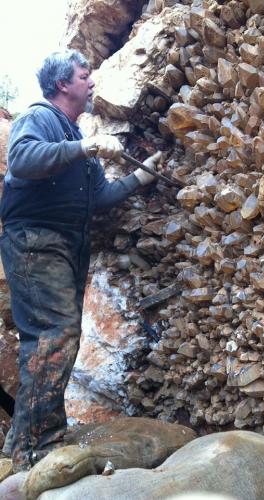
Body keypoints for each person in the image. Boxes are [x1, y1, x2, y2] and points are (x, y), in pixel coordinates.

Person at [0, 49, 160, 472]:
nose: (91, 83)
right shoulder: (39, 118)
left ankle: (20, 444)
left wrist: (139, 177)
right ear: (62, 85)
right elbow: (22, 159)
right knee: (55, 333)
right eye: (84, 75)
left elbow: (101, 197)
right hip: (36, 239)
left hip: (68, 243)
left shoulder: (73, 134)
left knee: (56, 337)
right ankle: (38, 448)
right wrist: (84, 147)